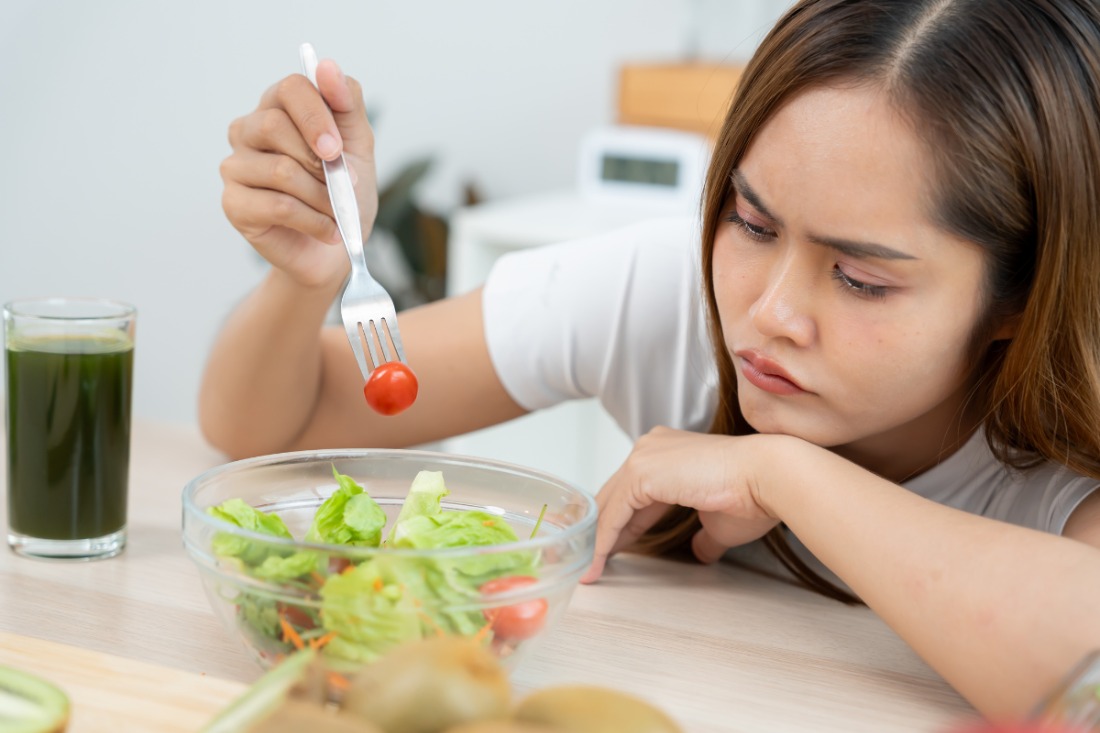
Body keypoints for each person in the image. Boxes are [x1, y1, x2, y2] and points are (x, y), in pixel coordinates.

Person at [201, 0, 1100, 720]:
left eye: (860, 277)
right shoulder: (663, 284)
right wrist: (312, 274)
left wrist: (783, 473)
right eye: (750, 222)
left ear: (1019, 298)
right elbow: (272, 423)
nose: (769, 311)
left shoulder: (1067, 446)